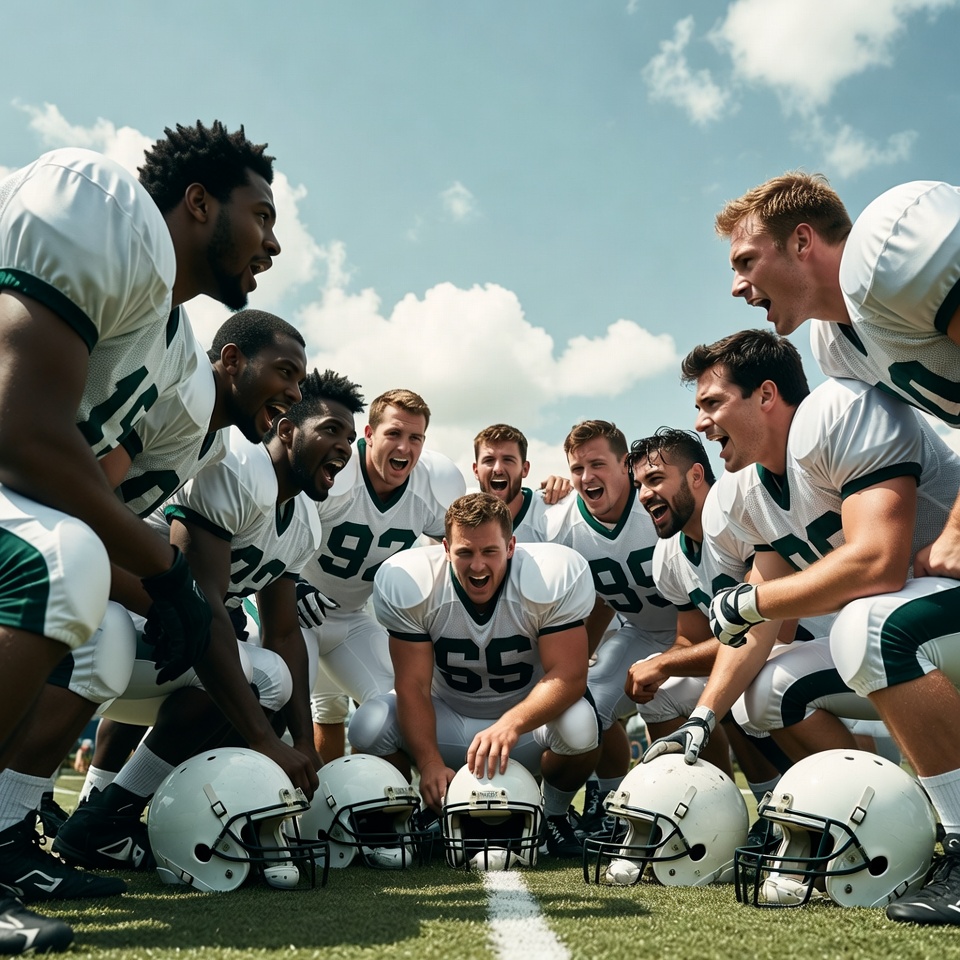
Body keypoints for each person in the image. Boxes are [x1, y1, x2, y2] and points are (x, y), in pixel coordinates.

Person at [0, 119, 278, 947]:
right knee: (62, 563)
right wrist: (166, 569)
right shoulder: (102, 206)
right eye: (261, 216)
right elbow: (19, 433)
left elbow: (94, 495)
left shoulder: (179, 367)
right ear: (197, 203)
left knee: (101, 639)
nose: (270, 245)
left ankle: (8, 833)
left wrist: (168, 588)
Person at [644, 329, 960, 926]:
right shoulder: (744, 495)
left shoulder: (837, 414)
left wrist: (753, 601)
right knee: (762, 696)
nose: (705, 423)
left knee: (866, 626)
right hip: (917, 632)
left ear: (767, 394)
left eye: (712, 403)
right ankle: (894, 818)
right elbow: (768, 625)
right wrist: (702, 717)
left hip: (941, 608)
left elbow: (878, 561)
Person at [51, 370, 364, 874]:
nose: (344, 447)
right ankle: (79, 807)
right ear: (286, 430)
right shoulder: (238, 467)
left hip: (159, 650)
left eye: (350, 437)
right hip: (106, 630)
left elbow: (284, 632)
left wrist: (304, 741)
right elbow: (204, 605)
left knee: (273, 675)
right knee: (245, 669)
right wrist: (264, 739)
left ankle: (108, 817)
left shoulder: (303, 521)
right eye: (330, 429)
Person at [68, 309, 307, 816]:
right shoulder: (185, 393)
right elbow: (80, 503)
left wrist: (178, 601)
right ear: (232, 359)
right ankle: (27, 807)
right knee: (116, 630)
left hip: (85, 565)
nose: (294, 393)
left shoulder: (217, 440)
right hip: (44, 548)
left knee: (252, 666)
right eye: (285, 373)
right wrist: (171, 596)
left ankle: (109, 812)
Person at [715, 173, 960, 579]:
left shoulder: (889, 243)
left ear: (802, 241)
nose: (737, 287)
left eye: (746, 261)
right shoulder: (832, 346)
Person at [348, 493, 601, 858]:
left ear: (511, 546)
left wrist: (512, 723)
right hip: (447, 720)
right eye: (465, 552)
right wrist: (430, 760)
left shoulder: (550, 577)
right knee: (368, 725)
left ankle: (555, 816)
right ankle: (414, 816)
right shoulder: (413, 584)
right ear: (446, 548)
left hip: (522, 730)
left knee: (581, 723)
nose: (477, 565)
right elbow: (412, 684)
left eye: (489, 552)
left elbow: (571, 674)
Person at [297, 389, 465, 763]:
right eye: (394, 434)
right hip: (293, 612)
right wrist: (289, 581)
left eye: (415, 437)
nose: (404, 447)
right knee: (277, 698)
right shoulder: (335, 470)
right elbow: (275, 527)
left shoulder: (433, 485)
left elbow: (457, 549)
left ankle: (372, 803)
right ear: (369, 434)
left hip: (352, 618)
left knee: (394, 713)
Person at [540, 420, 677, 839]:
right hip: (640, 630)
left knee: (716, 717)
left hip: (702, 628)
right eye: (577, 468)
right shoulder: (560, 525)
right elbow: (592, 599)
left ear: (626, 465)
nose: (586, 477)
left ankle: (699, 807)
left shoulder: (658, 502)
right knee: (584, 711)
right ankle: (553, 815)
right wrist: (577, 661)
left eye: (597, 464)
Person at [472, 423, 571, 541]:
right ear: (476, 470)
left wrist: (576, 492)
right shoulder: (459, 515)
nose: (498, 469)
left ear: (525, 469)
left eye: (508, 460)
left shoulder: (551, 515)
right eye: (489, 460)